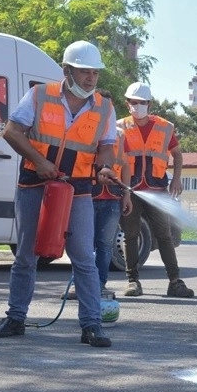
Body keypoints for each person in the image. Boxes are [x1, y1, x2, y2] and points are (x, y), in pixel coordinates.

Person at [0, 40, 119, 347]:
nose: (90, 79)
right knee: (26, 255)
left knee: (84, 257)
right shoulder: (39, 96)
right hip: (35, 185)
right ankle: (16, 318)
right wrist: (42, 162)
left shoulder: (104, 107)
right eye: (84, 72)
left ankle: (92, 325)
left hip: (79, 191)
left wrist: (106, 166)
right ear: (66, 70)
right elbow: (11, 131)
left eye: (95, 73)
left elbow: (107, 146)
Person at [118, 82, 194, 298]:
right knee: (130, 236)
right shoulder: (119, 127)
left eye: (142, 103)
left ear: (149, 104)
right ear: (128, 104)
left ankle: (175, 282)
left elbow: (177, 153)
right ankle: (133, 282)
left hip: (158, 189)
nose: (138, 106)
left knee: (165, 236)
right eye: (134, 102)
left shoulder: (164, 126)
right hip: (130, 191)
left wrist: (176, 180)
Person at [62, 90, 133, 300]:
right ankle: (78, 285)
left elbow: (126, 167)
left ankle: (99, 285)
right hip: (87, 194)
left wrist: (127, 195)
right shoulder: (84, 129)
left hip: (112, 197)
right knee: (83, 244)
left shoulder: (120, 135)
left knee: (104, 245)